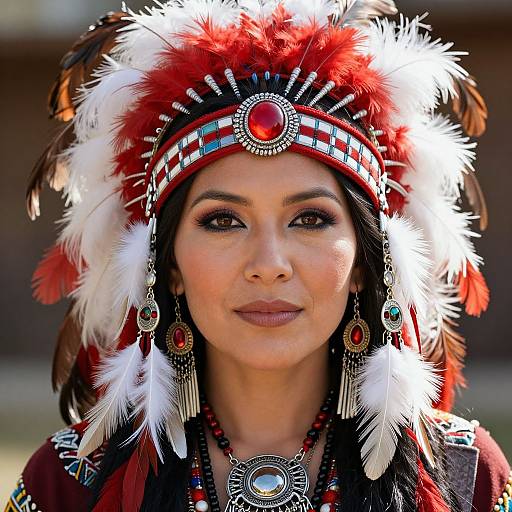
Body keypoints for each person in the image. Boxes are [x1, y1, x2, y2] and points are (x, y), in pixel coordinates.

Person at [5, 1, 511, 511]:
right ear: (169, 267)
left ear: (363, 262)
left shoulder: (467, 478)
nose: (269, 263)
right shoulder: (66, 486)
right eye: (223, 221)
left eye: (310, 219)